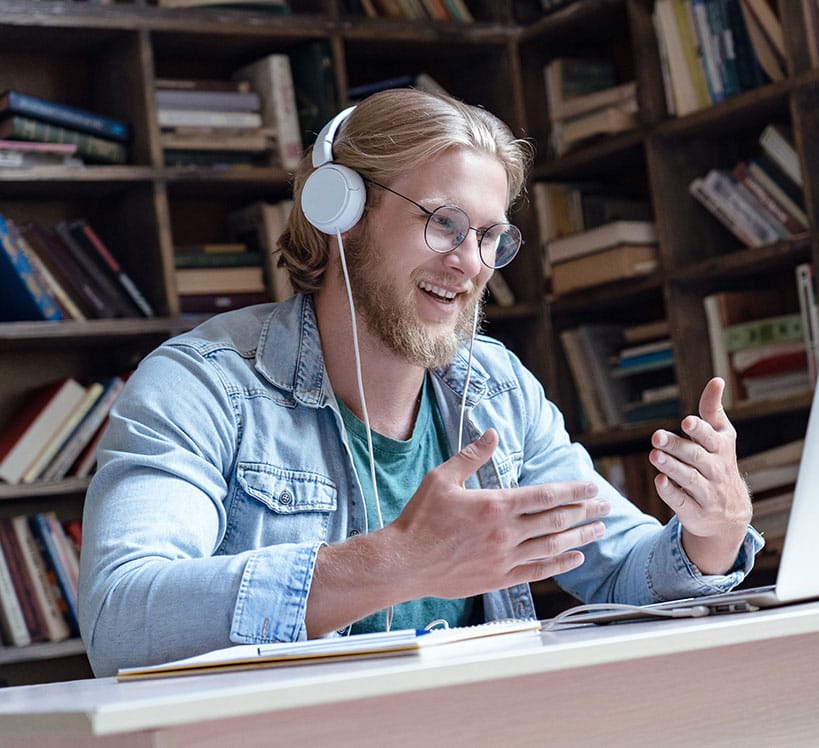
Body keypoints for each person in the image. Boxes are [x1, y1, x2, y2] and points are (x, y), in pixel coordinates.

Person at [77, 89, 763, 677]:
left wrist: (713, 534)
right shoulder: (202, 386)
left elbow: (618, 570)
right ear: (340, 213)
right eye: (444, 224)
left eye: (491, 237)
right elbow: (122, 616)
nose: (471, 264)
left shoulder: (497, 389)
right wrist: (392, 563)